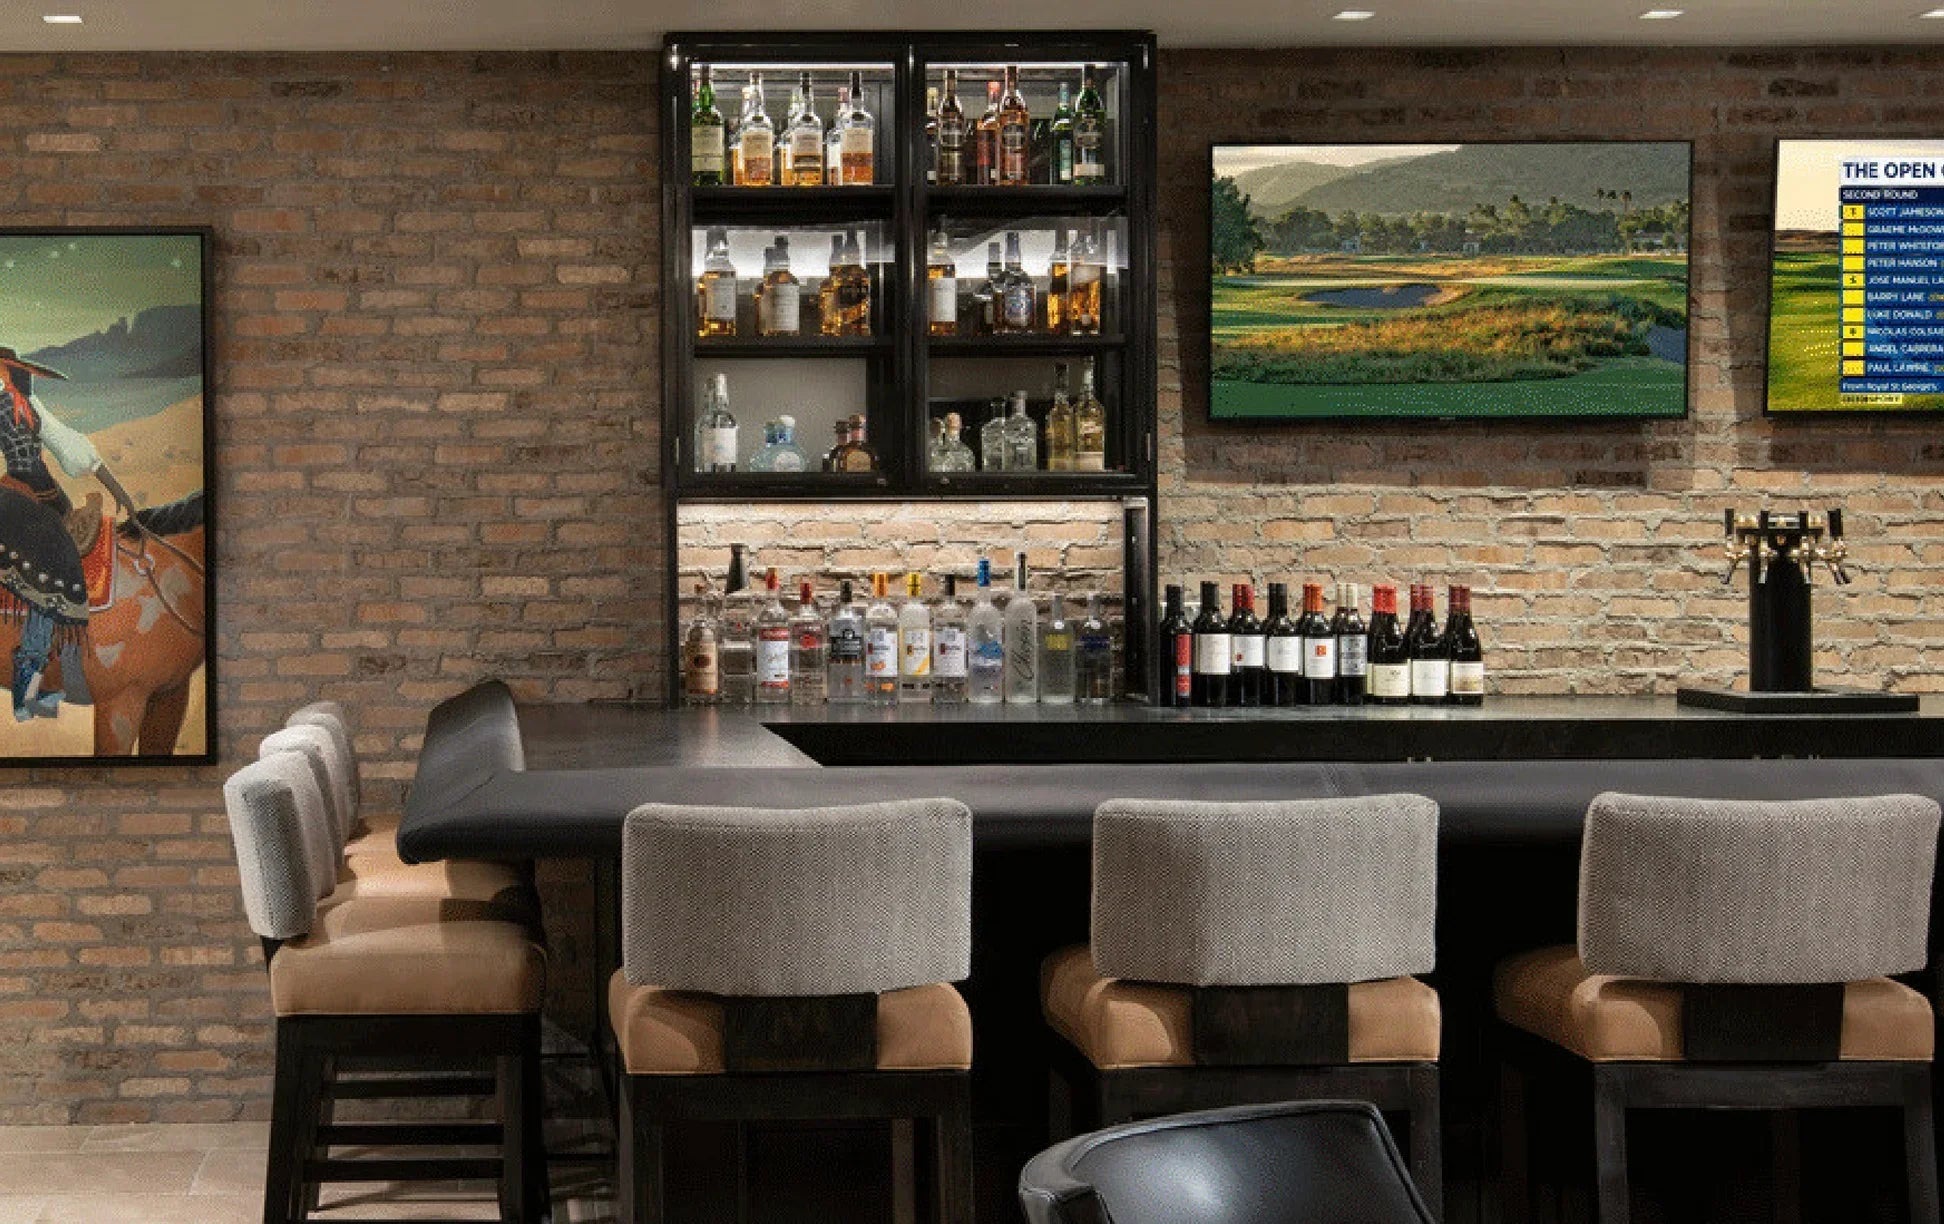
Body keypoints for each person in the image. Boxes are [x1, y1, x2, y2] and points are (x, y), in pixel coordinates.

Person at [0, 346, 128, 722]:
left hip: (46, 490)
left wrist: (117, 489)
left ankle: (64, 672)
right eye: (12, 369)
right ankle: (27, 687)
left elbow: (68, 444)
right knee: (51, 568)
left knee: (79, 552)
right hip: (14, 493)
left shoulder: (31, 405)